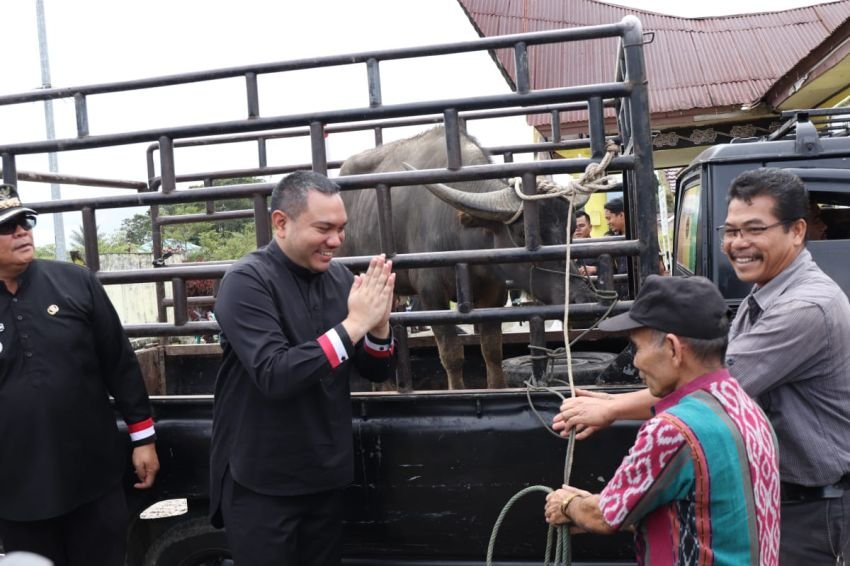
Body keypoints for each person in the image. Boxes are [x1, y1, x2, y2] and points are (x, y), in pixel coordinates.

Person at [553, 168, 850, 564]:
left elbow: (712, 386)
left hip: (810, 509)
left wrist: (610, 411)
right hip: (780, 498)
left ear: (797, 231)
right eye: (730, 231)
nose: (738, 243)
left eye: (754, 229)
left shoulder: (803, 309)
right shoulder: (765, 294)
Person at [209, 170, 397, 566]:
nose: (336, 241)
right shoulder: (247, 281)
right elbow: (275, 374)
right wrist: (354, 325)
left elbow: (376, 371)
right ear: (281, 223)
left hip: (325, 474)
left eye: (341, 229)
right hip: (262, 479)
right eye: (324, 228)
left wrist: (379, 328)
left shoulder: (340, 278)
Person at [544, 275, 780, 564]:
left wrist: (567, 504)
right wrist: (593, 505)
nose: (635, 362)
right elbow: (703, 512)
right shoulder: (746, 407)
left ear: (672, 348)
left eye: (638, 348)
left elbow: (605, 516)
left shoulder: (673, 430)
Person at [0, 184, 159, 566]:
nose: (23, 231)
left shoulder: (75, 282)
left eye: (26, 221)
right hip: (14, 488)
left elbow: (119, 363)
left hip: (92, 477)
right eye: (8, 226)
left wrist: (143, 439)